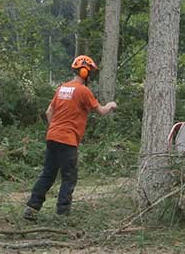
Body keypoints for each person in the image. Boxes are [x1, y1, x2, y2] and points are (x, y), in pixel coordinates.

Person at [23, 55, 117, 221]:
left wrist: (54, 128)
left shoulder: (61, 88)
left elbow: (48, 112)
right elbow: (101, 111)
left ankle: (32, 208)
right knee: (69, 177)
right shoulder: (83, 91)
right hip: (68, 140)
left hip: (52, 137)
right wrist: (110, 105)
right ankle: (63, 214)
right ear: (84, 72)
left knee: (48, 174)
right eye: (90, 73)